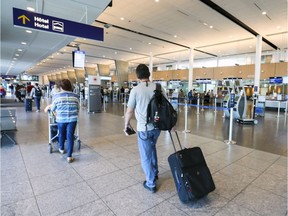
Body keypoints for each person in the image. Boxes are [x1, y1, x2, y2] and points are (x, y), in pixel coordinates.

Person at [124, 64, 166, 193]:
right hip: (157, 127)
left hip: (143, 128)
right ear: (149, 74)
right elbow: (167, 106)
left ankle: (151, 183)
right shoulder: (159, 87)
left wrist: (126, 125)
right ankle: (155, 172)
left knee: (145, 155)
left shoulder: (135, 90)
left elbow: (130, 110)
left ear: (138, 76)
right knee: (152, 148)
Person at [45, 79, 80, 163]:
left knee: (61, 133)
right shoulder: (75, 96)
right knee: (70, 136)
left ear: (60, 87)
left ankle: (61, 148)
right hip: (72, 119)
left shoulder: (57, 96)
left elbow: (53, 108)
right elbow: (78, 108)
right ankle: (69, 156)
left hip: (61, 119)